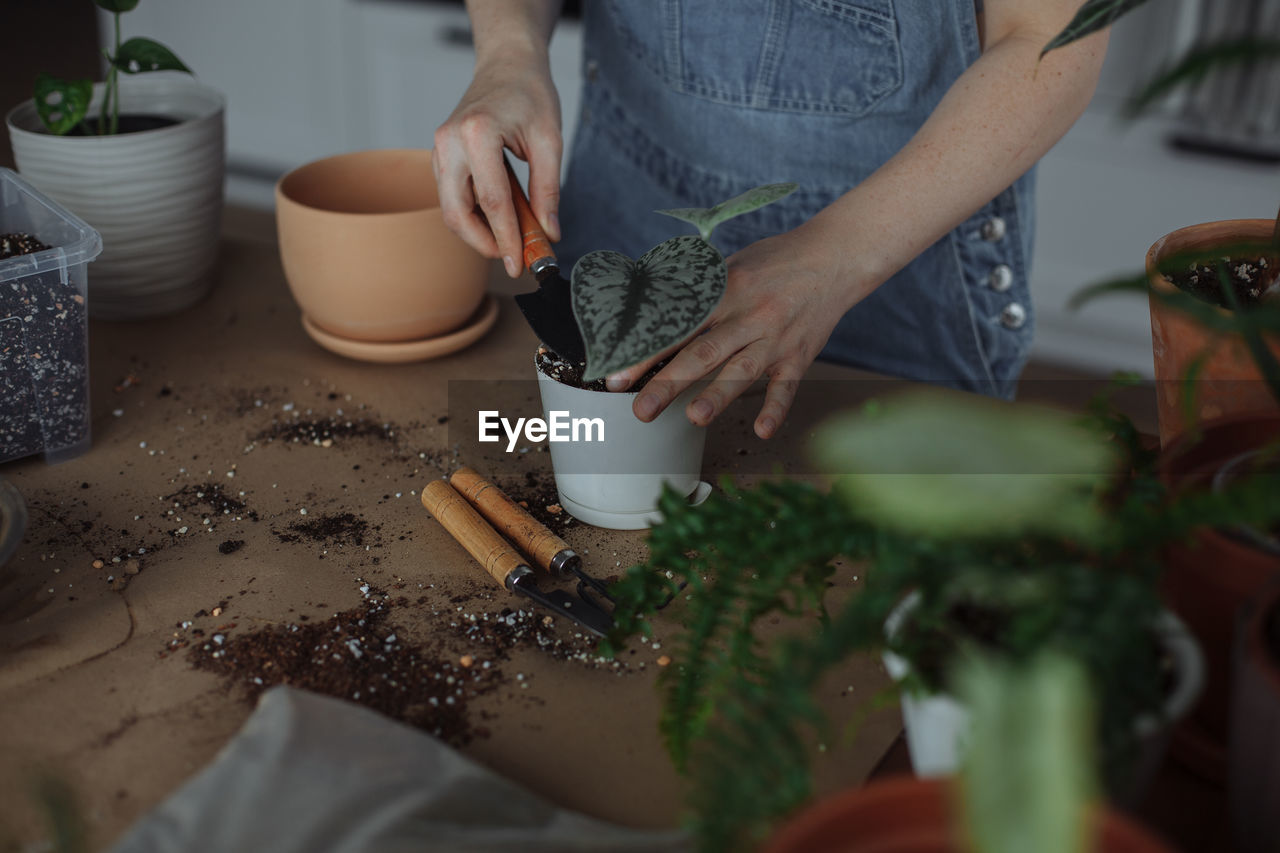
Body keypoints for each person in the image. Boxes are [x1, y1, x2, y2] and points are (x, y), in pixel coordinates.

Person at [433, 0, 1108, 439]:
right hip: (626, 212)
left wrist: (836, 255)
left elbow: (1051, 40)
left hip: (894, 279)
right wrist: (509, 49)